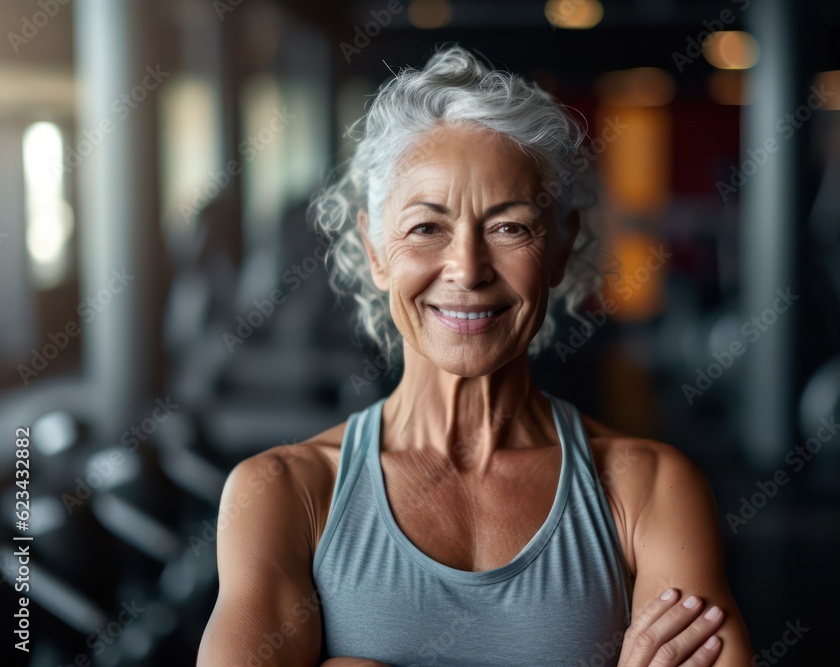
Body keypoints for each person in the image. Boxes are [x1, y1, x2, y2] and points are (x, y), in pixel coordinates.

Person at [198, 44, 753, 667]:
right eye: (426, 228)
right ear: (376, 250)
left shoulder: (651, 489)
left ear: (560, 247)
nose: (466, 268)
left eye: (509, 227)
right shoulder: (281, 494)